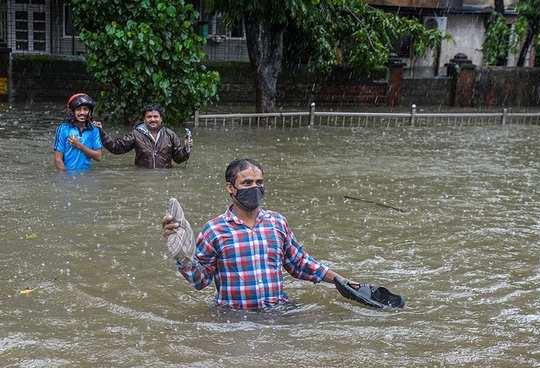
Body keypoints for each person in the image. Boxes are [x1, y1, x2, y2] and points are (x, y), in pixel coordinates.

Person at [162, 159, 353, 310]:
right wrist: (183, 257)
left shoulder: (277, 223)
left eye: (259, 182)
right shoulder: (214, 230)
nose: (255, 187)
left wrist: (339, 281)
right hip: (235, 320)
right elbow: (200, 280)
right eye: (247, 183)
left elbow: (300, 263)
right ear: (230, 188)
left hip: (277, 313)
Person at [98, 104, 192, 169]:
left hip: (164, 178)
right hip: (142, 178)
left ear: (161, 118)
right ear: (144, 119)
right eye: (149, 117)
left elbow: (178, 159)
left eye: (156, 116)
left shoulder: (170, 134)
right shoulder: (136, 134)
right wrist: (102, 133)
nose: (152, 119)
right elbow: (117, 148)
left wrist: (186, 148)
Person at [53, 93, 103, 171]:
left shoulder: (94, 129)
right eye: (78, 109)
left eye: (85, 109)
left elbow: (98, 156)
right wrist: (65, 178)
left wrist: (79, 145)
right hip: (67, 176)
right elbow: (58, 159)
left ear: (90, 112)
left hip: (86, 176)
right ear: (72, 111)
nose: (82, 112)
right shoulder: (63, 129)